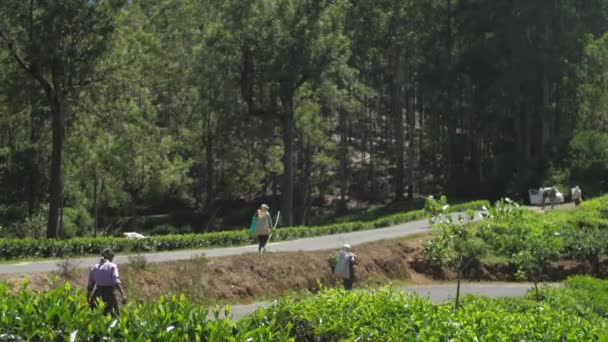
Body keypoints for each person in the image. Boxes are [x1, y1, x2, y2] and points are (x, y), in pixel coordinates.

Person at [87, 248, 127, 316]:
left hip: (97, 294)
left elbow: (90, 286)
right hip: (109, 295)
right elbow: (116, 281)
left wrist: (89, 297)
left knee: (95, 315)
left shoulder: (94, 267)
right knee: (114, 316)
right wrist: (123, 295)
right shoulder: (112, 266)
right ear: (110, 257)